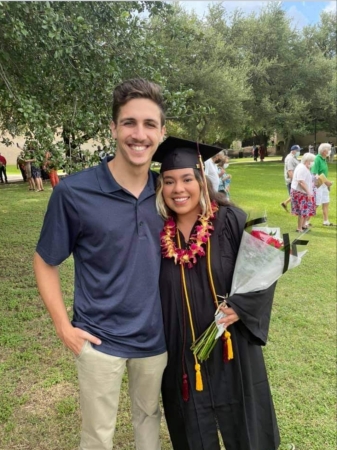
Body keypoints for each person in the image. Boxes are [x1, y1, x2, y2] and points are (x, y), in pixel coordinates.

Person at [34, 78, 168, 450]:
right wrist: (64, 327)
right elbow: (45, 260)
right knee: (96, 437)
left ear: (161, 133)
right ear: (113, 128)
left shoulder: (168, 192)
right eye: (129, 122)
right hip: (98, 340)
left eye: (149, 124)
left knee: (149, 422)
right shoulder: (74, 192)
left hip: (155, 339)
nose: (138, 134)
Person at [153, 136, 280, 450]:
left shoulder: (231, 220)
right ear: (160, 187)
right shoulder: (155, 230)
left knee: (245, 427)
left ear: (201, 178)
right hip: (183, 352)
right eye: (169, 181)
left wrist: (243, 306)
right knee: (194, 431)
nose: (178, 189)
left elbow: (265, 270)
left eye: (186, 179)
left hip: (231, 346)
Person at [290, 152, 316, 233]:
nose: (313, 163)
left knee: (306, 210)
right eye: (312, 161)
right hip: (300, 192)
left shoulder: (305, 167)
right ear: (307, 161)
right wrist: (308, 193)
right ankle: (299, 228)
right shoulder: (302, 168)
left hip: (305, 192)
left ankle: (303, 226)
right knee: (302, 210)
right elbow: (301, 182)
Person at [311, 143, 334, 226]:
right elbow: (314, 174)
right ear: (324, 151)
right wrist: (326, 182)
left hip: (324, 184)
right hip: (318, 184)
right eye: (328, 150)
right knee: (317, 203)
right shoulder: (317, 159)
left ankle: (326, 220)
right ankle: (306, 221)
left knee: (326, 201)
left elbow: (323, 173)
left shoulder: (324, 159)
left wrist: (327, 183)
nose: (329, 151)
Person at [280, 145, 301, 212]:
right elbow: (290, 171)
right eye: (298, 150)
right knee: (294, 195)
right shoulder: (290, 158)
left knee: (296, 194)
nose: (299, 152)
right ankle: (294, 210)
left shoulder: (294, 157)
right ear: (293, 151)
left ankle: (285, 203)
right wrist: (294, 181)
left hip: (295, 179)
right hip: (291, 180)